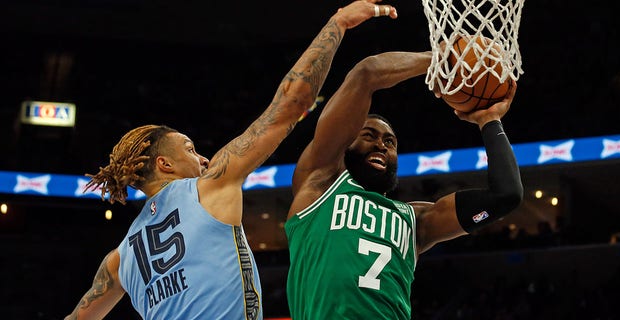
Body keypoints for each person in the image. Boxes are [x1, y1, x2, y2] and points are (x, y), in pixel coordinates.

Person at [64, 1, 399, 319]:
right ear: (164, 165)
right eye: (190, 149)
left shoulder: (118, 260)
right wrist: (337, 23)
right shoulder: (209, 187)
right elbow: (293, 102)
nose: (205, 159)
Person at [285, 51, 523, 319]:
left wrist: (489, 121)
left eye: (390, 142)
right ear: (345, 144)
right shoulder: (320, 185)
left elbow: (506, 195)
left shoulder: (416, 220)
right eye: (368, 135)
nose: (381, 145)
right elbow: (366, 73)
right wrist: (444, 58)